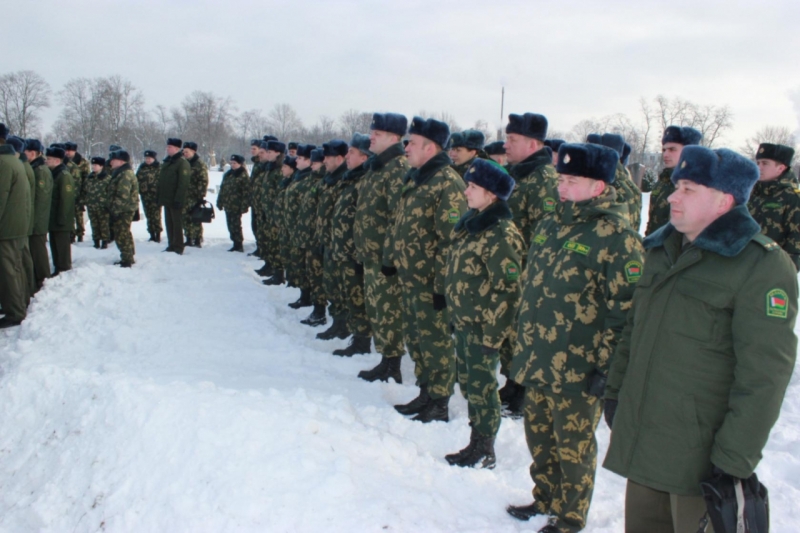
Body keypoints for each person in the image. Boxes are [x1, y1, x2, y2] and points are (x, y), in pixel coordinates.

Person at [603, 146, 798, 533]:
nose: (673, 196)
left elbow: (764, 376)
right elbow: (634, 331)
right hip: (647, 442)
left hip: (703, 460)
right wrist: (615, 392)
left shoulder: (761, 266)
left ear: (723, 200)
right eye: (677, 187)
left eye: (688, 189)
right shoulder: (662, 249)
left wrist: (734, 458)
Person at [507, 143, 644, 533]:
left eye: (571, 181)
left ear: (599, 186)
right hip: (539, 356)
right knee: (539, 437)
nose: (561, 187)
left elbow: (627, 310)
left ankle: (570, 517)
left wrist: (606, 368)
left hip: (578, 367)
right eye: (560, 178)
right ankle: (544, 497)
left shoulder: (617, 237)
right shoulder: (552, 223)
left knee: (574, 448)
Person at [444, 158, 523, 469]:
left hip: (482, 328)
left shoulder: (500, 232)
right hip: (465, 323)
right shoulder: (472, 224)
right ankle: (475, 440)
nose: (466, 191)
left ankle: (484, 447)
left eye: (473, 187)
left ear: (491, 194)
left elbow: (508, 290)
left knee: (482, 387)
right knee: (469, 384)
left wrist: (493, 337)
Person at [387, 116, 467, 423]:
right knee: (417, 340)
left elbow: (450, 242)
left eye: (412, 143)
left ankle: (439, 400)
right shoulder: (417, 177)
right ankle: (426, 391)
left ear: (430, 147)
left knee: (436, 343)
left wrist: (441, 288)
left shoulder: (447, 183)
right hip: (411, 280)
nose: (406, 148)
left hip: (431, 284)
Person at [500, 112, 559, 416]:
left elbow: (546, 233)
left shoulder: (543, 179)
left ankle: (525, 391)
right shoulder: (516, 174)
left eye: (512, 139)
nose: (506, 144)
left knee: (527, 333)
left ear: (533, 144)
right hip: (512, 269)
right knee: (511, 331)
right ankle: (513, 381)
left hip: (530, 271)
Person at [354, 112, 409, 383]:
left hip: (385, 259)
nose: (371, 137)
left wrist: (389, 258)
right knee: (378, 309)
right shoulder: (379, 167)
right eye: (372, 132)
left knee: (389, 311)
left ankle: (392, 364)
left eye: (377, 133)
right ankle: (386, 359)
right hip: (371, 256)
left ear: (394, 138)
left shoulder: (398, 168)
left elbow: (397, 219)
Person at [330, 133, 373, 356]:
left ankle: (362, 341)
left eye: (352, 153)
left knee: (358, 298)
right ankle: (356, 335)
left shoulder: (364, 182)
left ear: (365, 157)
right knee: (350, 296)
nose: (347, 156)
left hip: (355, 252)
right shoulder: (351, 179)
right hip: (344, 250)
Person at [314, 140, 350, 339]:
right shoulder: (329, 178)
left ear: (339, 158)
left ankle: (344, 325)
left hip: (340, 243)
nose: (324, 161)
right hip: (328, 241)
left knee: (340, 287)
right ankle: (337, 323)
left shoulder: (344, 179)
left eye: (328, 157)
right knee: (331, 285)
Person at [748, 142, 800, 270]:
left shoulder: (792, 197)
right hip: (746, 264)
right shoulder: (752, 192)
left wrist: (786, 271)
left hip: (773, 268)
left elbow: (796, 240)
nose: (759, 167)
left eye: (765, 163)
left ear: (781, 168)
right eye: (758, 163)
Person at [0, 125, 32, 328]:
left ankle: (15, 312)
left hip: (7, 228)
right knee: (14, 268)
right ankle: (17, 304)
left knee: (9, 270)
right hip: (15, 226)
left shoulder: (3, 163)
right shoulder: (12, 160)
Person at [644, 125, 702, 236]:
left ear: (689, 151)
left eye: (672, 149)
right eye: (664, 150)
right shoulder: (662, 181)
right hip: (655, 248)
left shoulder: (698, 184)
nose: (665, 154)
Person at [283, 144, 316, 307]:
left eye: (301, 158)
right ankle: (304, 294)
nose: (296, 161)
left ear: (310, 161)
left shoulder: (308, 180)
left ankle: (308, 296)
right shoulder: (300, 177)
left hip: (304, 232)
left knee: (305, 266)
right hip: (295, 231)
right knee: (298, 264)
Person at [298, 148, 329, 326]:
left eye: (315, 163)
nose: (312, 166)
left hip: (317, 238)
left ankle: (320, 312)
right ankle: (317, 309)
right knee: (313, 274)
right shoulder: (314, 181)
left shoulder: (324, 182)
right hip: (310, 236)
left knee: (319, 277)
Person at [24, 139, 53, 290]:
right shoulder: (35, 168)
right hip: (35, 218)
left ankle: (43, 279)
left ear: (33, 153)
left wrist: (33, 220)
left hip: (37, 219)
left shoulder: (40, 171)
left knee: (38, 250)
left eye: (26, 152)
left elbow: (40, 199)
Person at [44, 146, 76, 274]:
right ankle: (58, 267)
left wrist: (62, 219)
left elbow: (66, 200)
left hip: (61, 219)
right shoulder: (54, 173)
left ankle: (63, 268)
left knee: (61, 246)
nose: (46, 161)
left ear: (57, 161)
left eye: (49, 159)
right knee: (55, 245)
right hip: (54, 217)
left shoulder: (63, 175)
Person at [157, 138, 191, 255]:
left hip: (176, 199)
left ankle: (178, 246)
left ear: (177, 149)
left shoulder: (182, 163)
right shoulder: (167, 162)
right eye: (167, 147)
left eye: (170, 147)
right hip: (167, 198)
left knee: (177, 224)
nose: (167, 149)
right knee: (169, 223)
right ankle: (171, 244)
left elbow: (183, 183)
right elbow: (162, 180)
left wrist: (179, 199)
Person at [106, 151, 139, 267]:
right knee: (124, 232)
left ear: (121, 161)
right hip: (123, 209)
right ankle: (128, 255)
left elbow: (122, 195)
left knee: (121, 233)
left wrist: (115, 210)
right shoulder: (121, 173)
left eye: (113, 160)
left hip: (123, 210)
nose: (111, 162)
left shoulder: (125, 174)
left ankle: (127, 259)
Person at [217, 154, 250, 252]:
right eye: (231, 163)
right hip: (228, 204)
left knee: (236, 225)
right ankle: (234, 241)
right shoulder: (228, 174)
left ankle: (238, 244)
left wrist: (244, 205)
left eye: (235, 163)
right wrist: (220, 201)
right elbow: (223, 189)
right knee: (230, 224)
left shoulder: (243, 175)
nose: (232, 165)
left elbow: (246, 192)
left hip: (237, 205)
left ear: (240, 164)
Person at [182, 141, 208, 248]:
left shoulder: (199, 164)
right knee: (185, 218)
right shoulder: (184, 163)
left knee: (195, 218)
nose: (185, 154)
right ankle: (188, 238)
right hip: (185, 195)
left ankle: (197, 239)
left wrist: (200, 195)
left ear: (193, 151)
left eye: (187, 152)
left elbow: (203, 180)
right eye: (184, 152)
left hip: (194, 196)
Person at [83, 157, 111, 249]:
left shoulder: (107, 178)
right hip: (91, 205)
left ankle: (104, 241)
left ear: (101, 166)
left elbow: (111, 192)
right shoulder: (89, 177)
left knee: (103, 224)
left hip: (103, 206)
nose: (93, 167)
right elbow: (85, 190)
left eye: (96, 165)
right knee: (94, 224)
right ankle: (96, 240)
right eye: (93, 165)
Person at [136, 150, 162, 242]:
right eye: (146, 158)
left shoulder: (159, 167)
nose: (148, 160)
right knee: (149, 215)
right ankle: (151, 234)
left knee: (156, 216)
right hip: (145, 196)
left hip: (156, 196)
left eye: (149, 158)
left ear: (154, 158)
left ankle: (158, 234)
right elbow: (137, 180)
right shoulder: (142, 168)